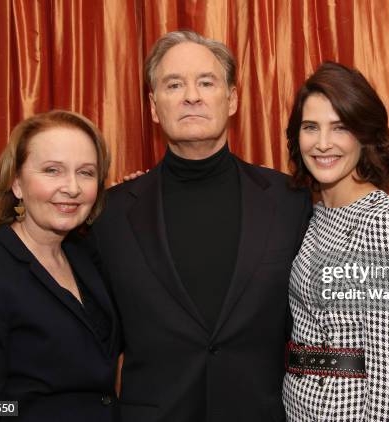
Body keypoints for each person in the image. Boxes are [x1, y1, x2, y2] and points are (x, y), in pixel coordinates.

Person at [88, 30, 311, 422]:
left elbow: (324, 325)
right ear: (154, 107)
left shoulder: (290, 200)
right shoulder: (110, 215)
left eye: (206, 82)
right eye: (174, 84)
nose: (192, 95)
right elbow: (89, 345)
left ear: (233, 99)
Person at [0, 110, 121, 421]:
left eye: (86, 172)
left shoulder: (87, 258)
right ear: (16, 183)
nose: (72, 187)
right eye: (52, 170)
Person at [282, 62, 389, 421]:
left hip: (347, 411)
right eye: (311, 127)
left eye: (340, 127)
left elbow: (386, 366)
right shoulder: (314, 214)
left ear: (364, 134)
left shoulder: (383, 221)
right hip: (297, 407)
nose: (323, 143)